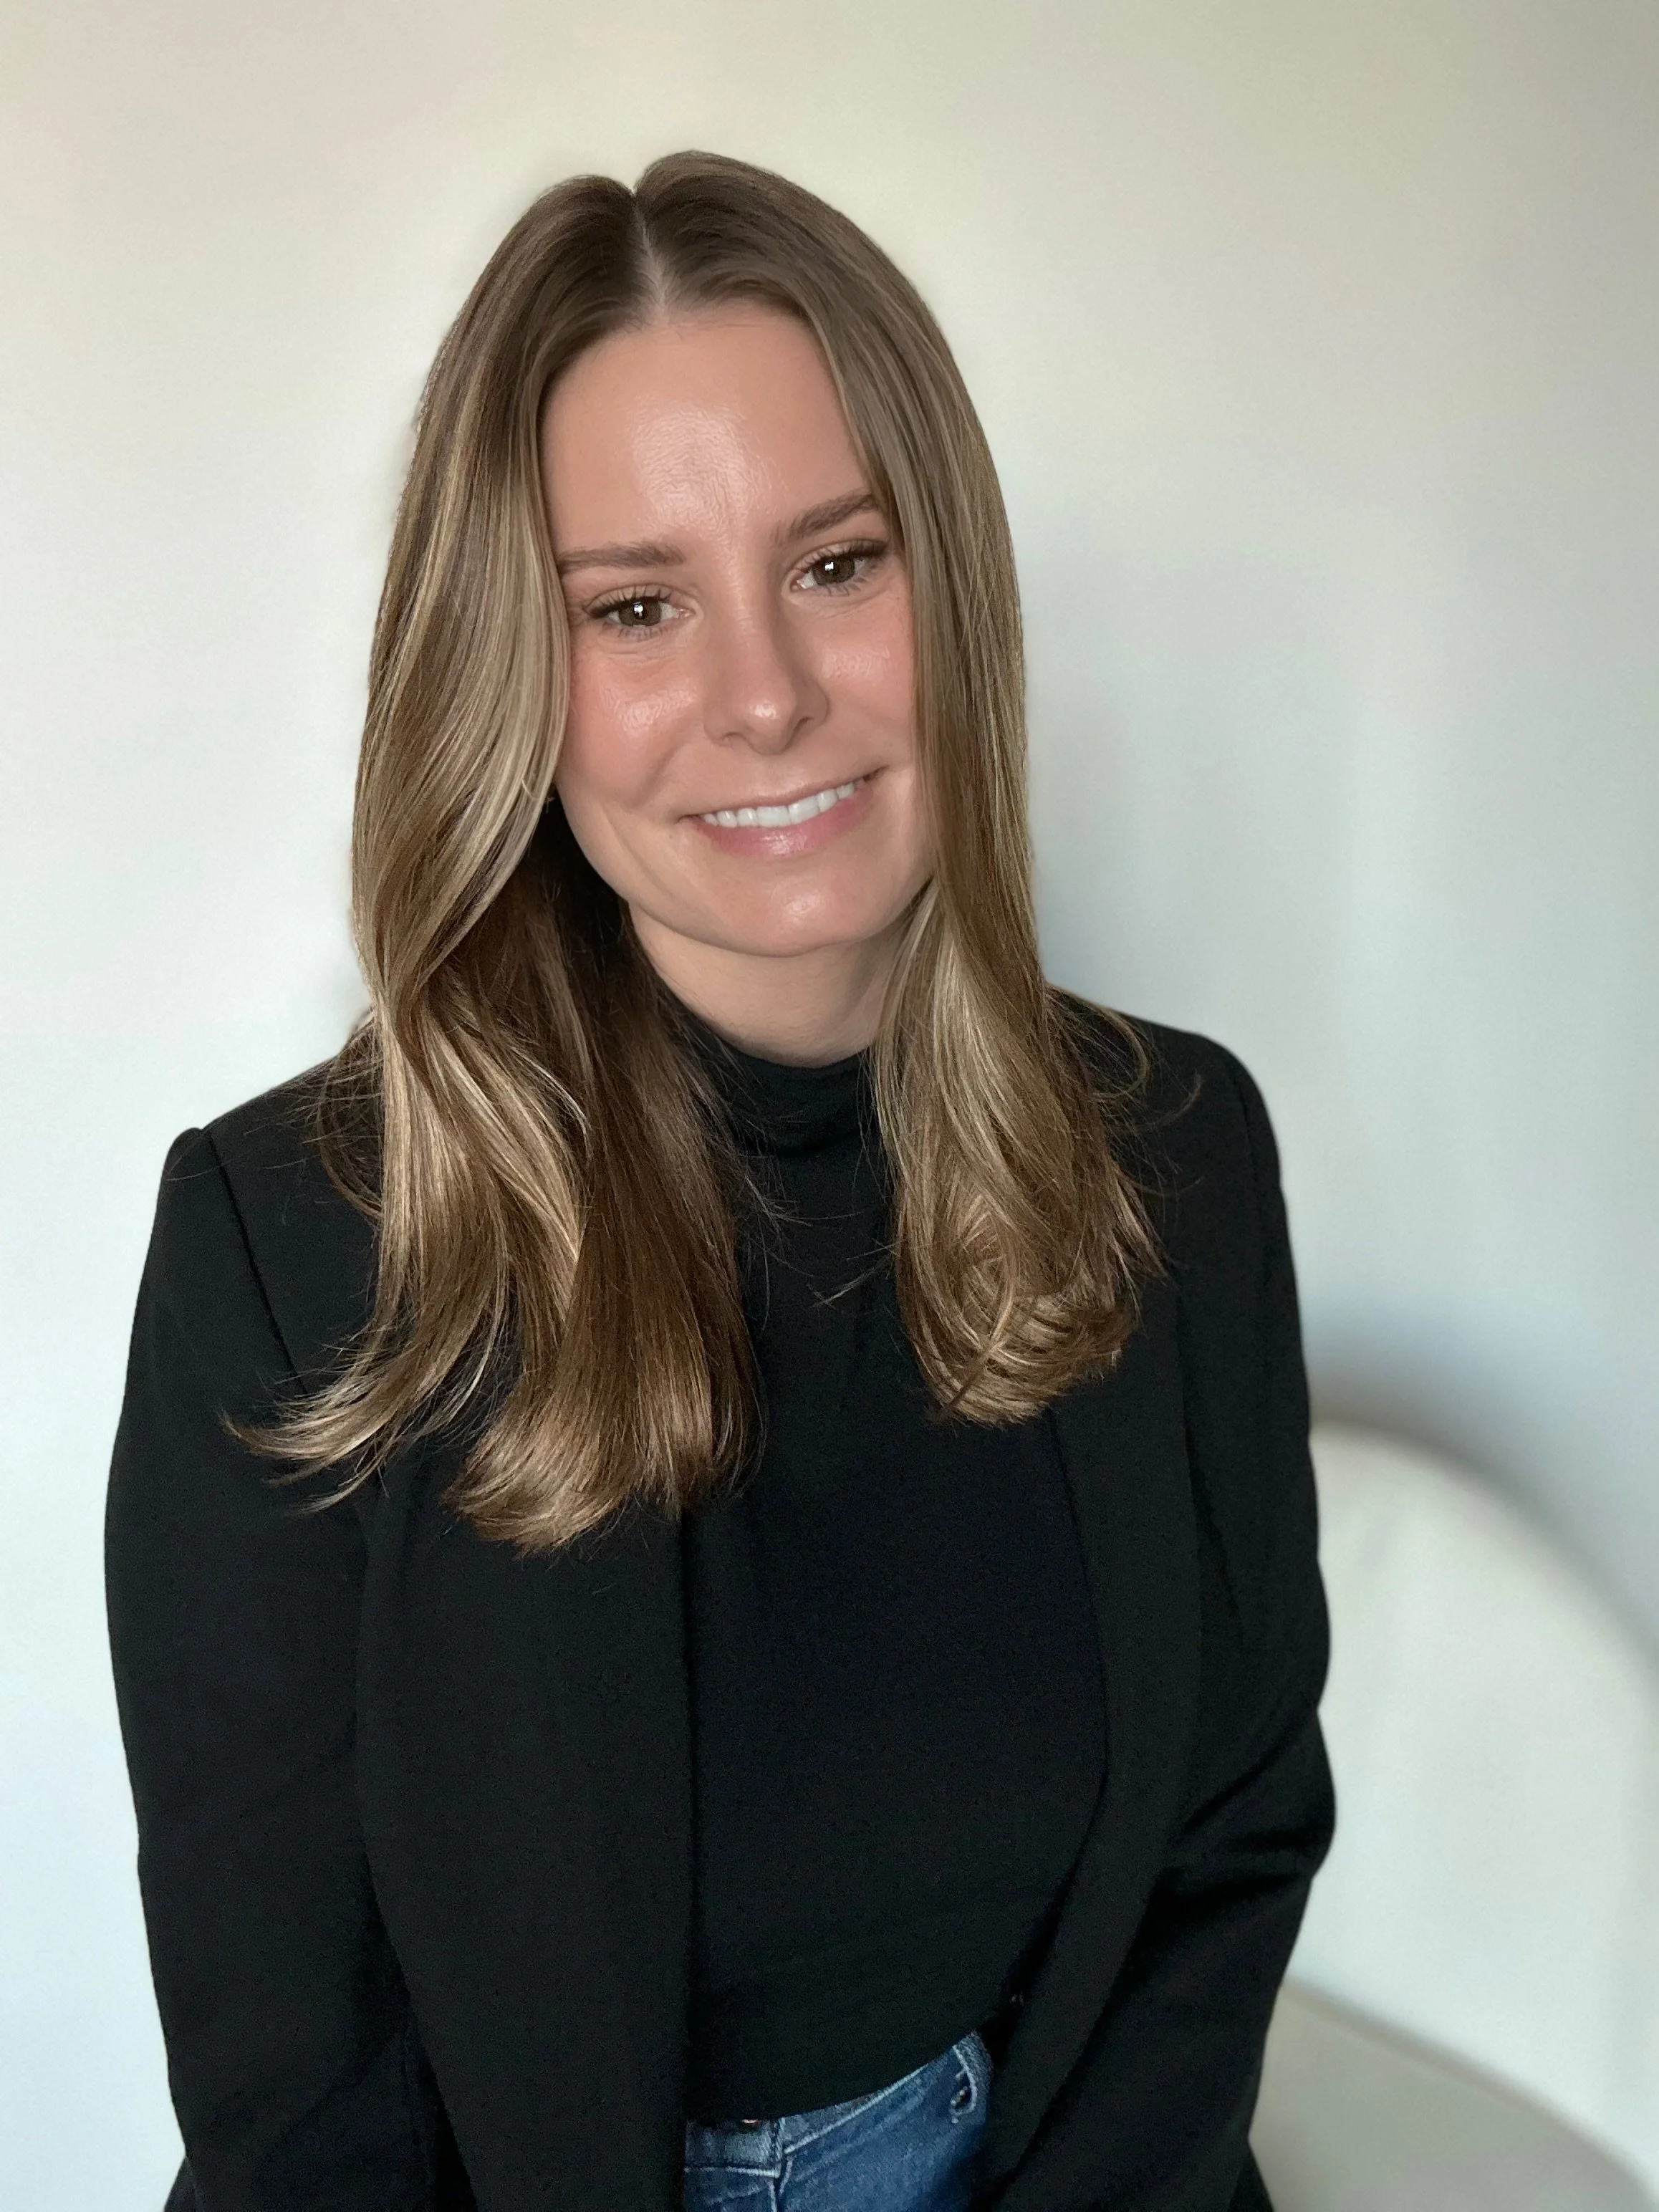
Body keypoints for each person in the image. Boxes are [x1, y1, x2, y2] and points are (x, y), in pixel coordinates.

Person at [106, 152, 1335, 2212]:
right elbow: (304, 2098)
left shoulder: (1176, 1149)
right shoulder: (298, 1249)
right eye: (638, 606)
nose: (764, 693)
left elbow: (1220, 1851)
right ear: (511, 667)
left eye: (841, 563)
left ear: (955, 588)